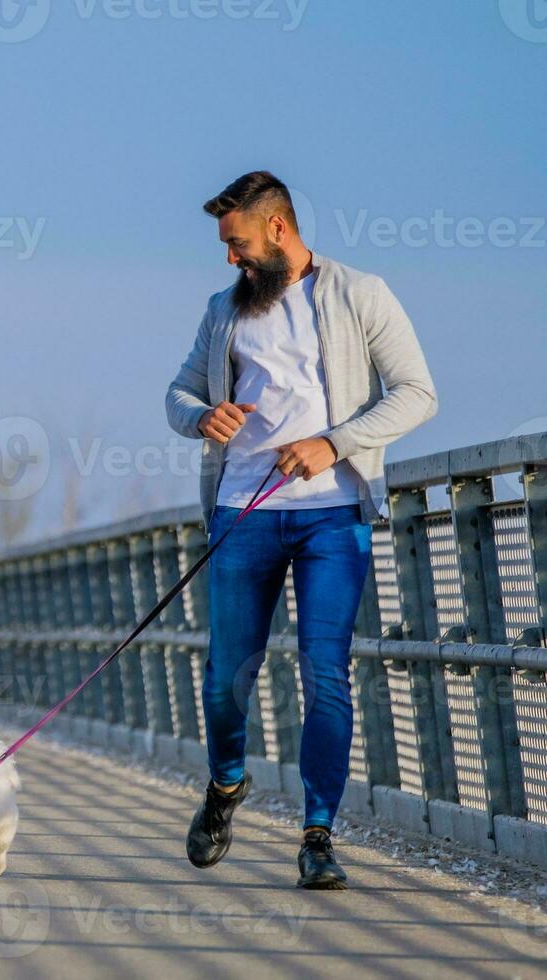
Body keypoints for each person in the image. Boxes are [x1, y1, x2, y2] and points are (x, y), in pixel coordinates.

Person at [166, 171, 437, 889]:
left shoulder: (360, 294)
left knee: (325, 674)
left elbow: (418, 393)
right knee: (227, 677)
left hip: (332, 515)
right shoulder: (223, 311)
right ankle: (225, 786)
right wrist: (201, 416)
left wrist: (335, 442)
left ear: (278, 229)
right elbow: (179, 391)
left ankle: (318, 835)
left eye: (238, 243)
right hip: (241, 514)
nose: (230, 258)